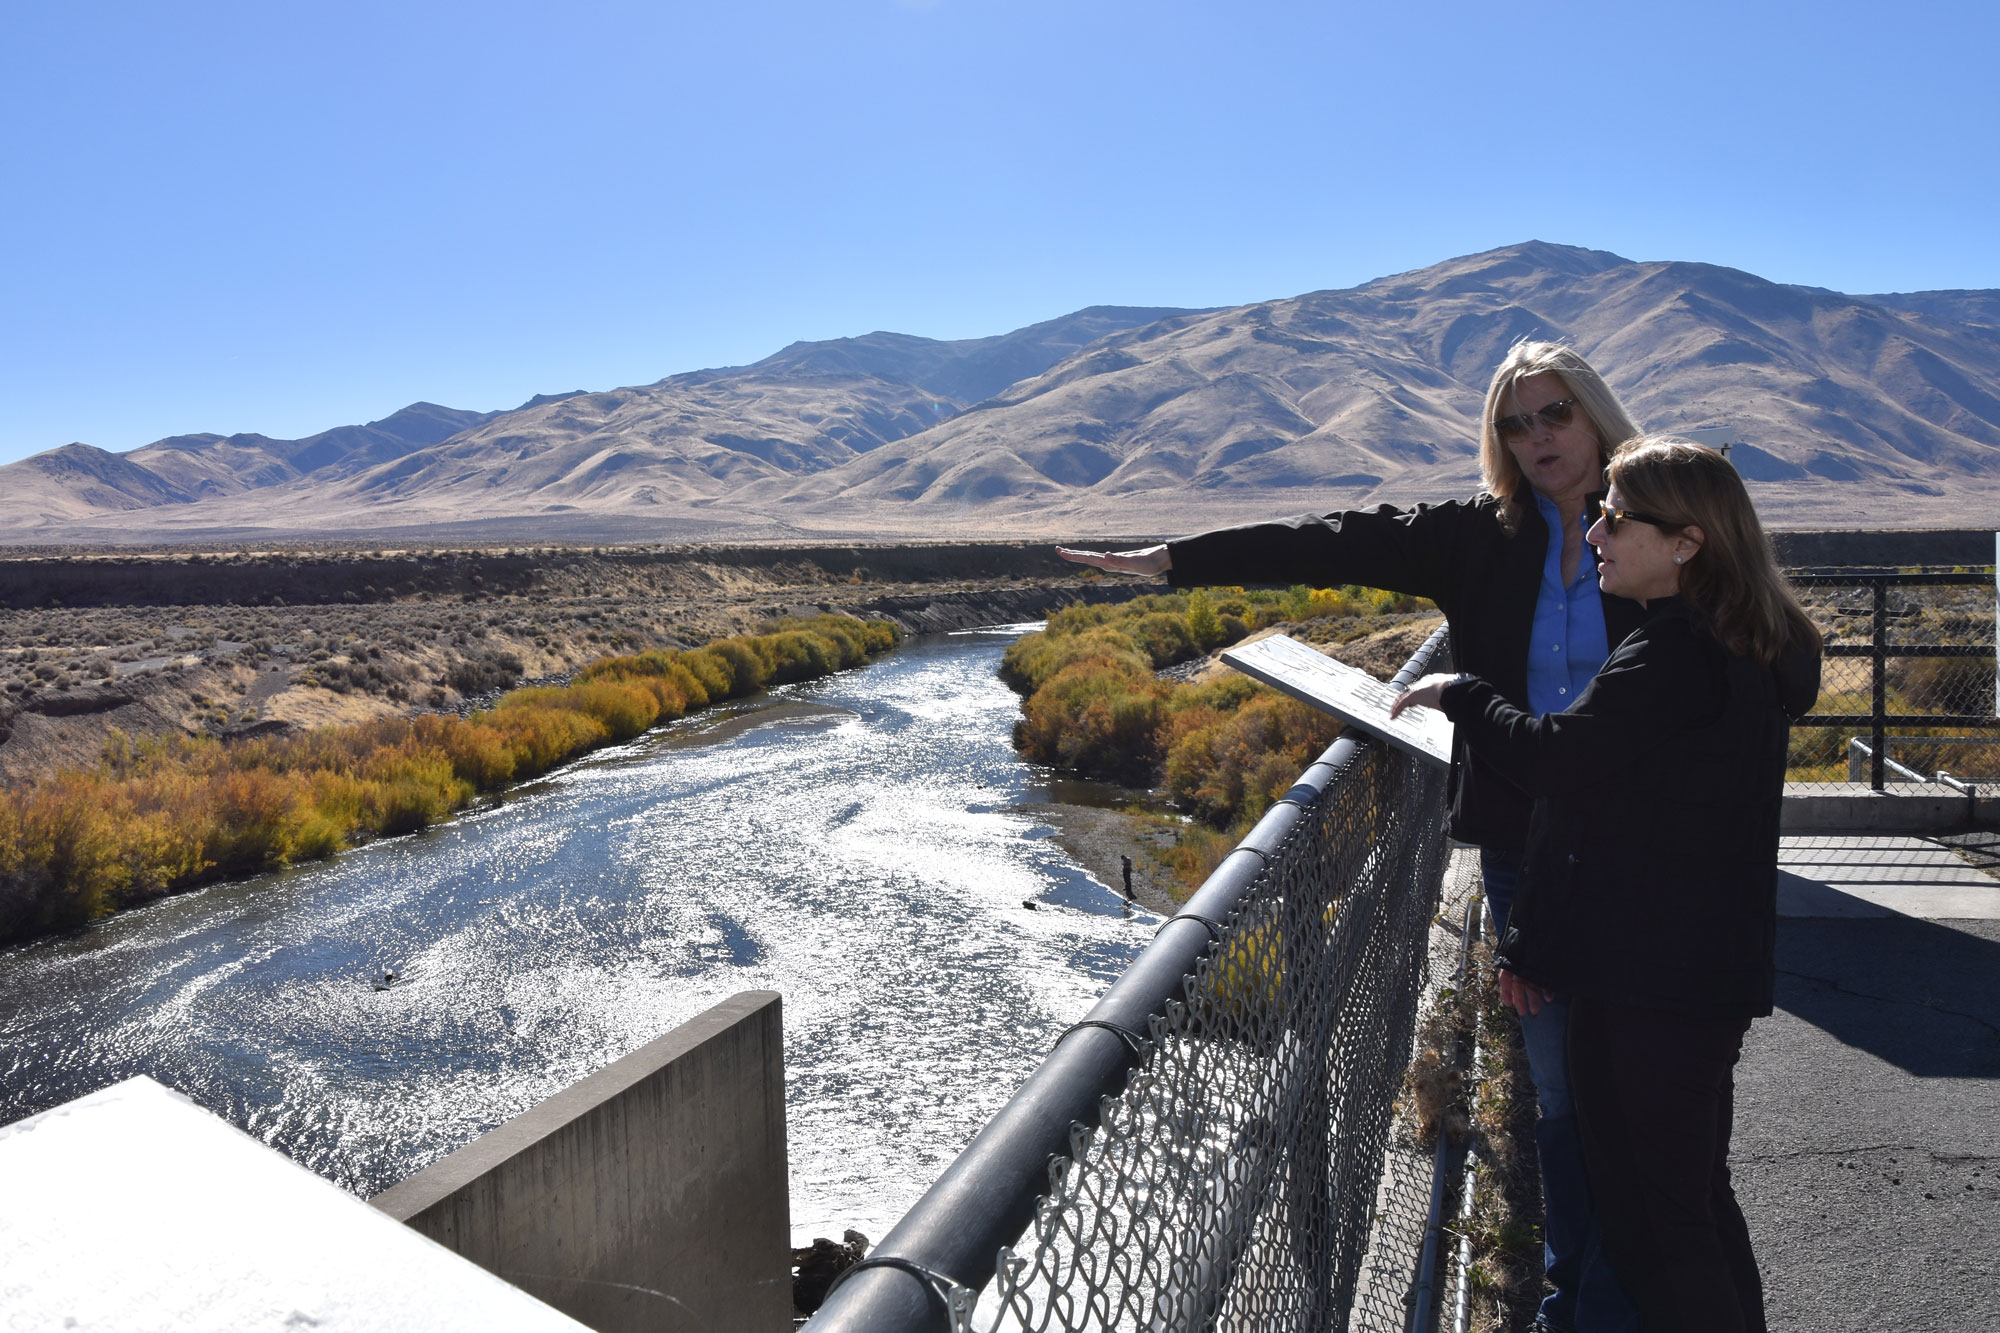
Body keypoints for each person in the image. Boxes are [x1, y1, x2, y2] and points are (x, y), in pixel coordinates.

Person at [1061, 340, 1644, 1330]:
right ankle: (1574, 1298)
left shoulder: (1658, 518)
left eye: (1553, 414)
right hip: (1522, 847)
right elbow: (1330, 538)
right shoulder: (1475, 536)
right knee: (1554, 1081)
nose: (1536, 438)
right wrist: (1177, 562)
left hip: (1640, 842)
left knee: (1635, 1076)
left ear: (1592, 414)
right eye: (1513, 423)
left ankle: (1636, 1286)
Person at [1391, 438, 1822, 1331]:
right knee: (1691, 1204)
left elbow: (1557, 764)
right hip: (1690, 971)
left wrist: (1462, 694)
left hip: (1653, 982)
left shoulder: (1676, 656)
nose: (1594, 531)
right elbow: (1616, 808)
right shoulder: (1735, 645)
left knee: (1655, 1227)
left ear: (1687, 543)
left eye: (1617, 516)